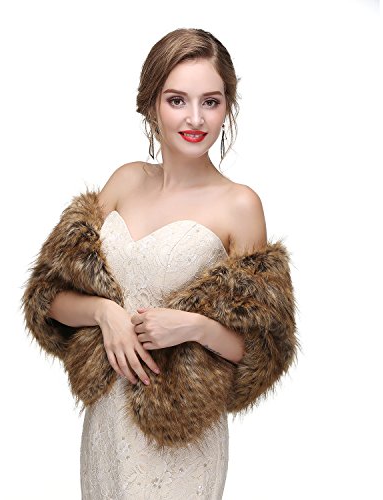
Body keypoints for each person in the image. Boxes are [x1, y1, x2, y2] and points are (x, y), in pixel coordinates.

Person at [33, 28, 274, 499]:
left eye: (211, 102)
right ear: (150, 105)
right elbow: (49, 298)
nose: (195, 118)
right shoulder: (124, 181)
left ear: (228, 107)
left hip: (181, 435)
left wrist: (194, 327)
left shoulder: (240, 205)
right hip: (108, 421)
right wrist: (105, 313)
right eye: (177, 100)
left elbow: (261, 349)